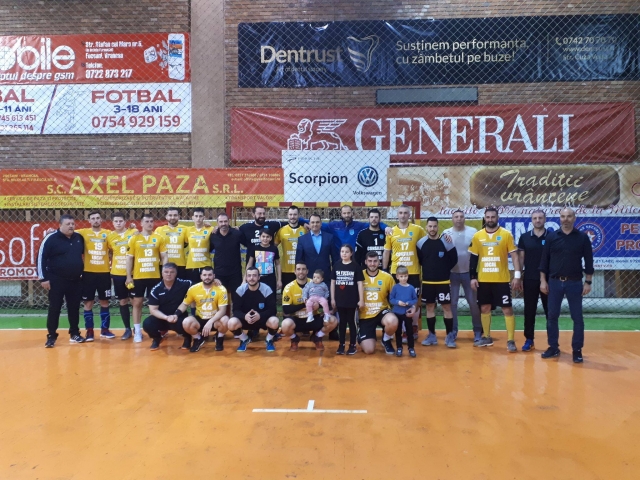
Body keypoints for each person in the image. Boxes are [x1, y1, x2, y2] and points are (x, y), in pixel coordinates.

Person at [539, 207, 594, 363]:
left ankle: (577, 350)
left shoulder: (582, 237)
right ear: (560, 218)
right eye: (563, 216)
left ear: (574, 218)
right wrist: (543, 281)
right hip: (554, 282)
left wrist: (588, 282)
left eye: (569, 216)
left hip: (575, 283)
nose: (566, 219)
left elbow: (589, 261)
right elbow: (544, 261)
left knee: (577, 317)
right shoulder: (551, 237)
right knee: (552, 316)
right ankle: (553, 347)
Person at [469, 207, 522, 351]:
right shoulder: (477, 236)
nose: (490, 219)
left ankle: (510, 340)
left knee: (507, 309)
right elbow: (473, 258)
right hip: (484, 280)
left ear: (497, 218)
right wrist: (472, 277)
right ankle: (486, 337)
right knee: (484, 308)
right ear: (484, 218)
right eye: (488, 217)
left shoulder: (506, 234)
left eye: (493, 217)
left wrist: (517, 276)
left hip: (501, 280)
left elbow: (515, 256)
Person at [38, 214, 86, 347]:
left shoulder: (79, 238)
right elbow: (41, 257)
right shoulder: (50, 238)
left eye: (73, 224)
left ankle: (75, 333)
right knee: (55, 308)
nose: (71, 226)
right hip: (56, 280)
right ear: (60, 225)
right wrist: (43, 278)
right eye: (68, 224)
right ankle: (51, 336)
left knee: (74, 308)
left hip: (75, 280)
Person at [383, 204, 426, 339]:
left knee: (413, 301)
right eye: (400, 213)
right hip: (396, 272)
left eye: (405, 213)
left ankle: (413, 328)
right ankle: (399, 329)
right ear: (397, 215)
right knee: (397, 301)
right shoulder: (391, 232)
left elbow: (428, 242)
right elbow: (387, 252)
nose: (403, 215)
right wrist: (384, 270)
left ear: (409, 215)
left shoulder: (418, 230)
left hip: (413, 271)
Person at [126, 214, 168, 343]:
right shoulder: (134, 238)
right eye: (147, 221)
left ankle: (154, 330)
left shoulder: (159, 238)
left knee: (154, 305)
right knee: (137, 303)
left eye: (151, 221)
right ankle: (137, 331)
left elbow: (164, 257)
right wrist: (129, 276)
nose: (150, 223)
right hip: (139, 276)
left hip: (154, 277)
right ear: (141, 223)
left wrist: (165, 274)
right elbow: (129, 258)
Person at [417, 217, 458, 348]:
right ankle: (431, 335)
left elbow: (454, 259)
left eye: (435, 226)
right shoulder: (421, 243)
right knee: (429, 307)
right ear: (426, 227)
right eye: (430, 226)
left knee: (446, 307)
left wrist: (443, 270)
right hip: (428, 282)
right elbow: (420, 260)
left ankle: (449, 336)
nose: (432, 229)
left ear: (438, 227)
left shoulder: (446, 241)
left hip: (443, 282)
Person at [442, 210, 482, 344]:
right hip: (452, 273)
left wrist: (474, 273)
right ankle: (453, 331)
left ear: (465, 218)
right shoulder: (446, 233)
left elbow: (478, 252)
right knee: (452, 303)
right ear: (452, 219)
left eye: (461, 216)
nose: (459, 219)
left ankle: (478, 331)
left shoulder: (473, 232)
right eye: (456, 217)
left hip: (469, 274)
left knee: (473, 303)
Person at [75, 211, 114, 342]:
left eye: (98, 218)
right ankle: (89, 331)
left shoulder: (108, 233)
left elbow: (119, 242)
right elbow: (67, 232)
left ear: (101, 220)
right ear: (89, 220)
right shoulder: (83, 232)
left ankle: (105, 330)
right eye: (93, 218)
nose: (96, 220)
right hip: (88, 273)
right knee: (88, 302)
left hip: (104, 273)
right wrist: (53, 231)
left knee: (105, 302)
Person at [281, 263, 338, 351]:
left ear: (307, 271)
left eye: (303, 269)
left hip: (313, 318)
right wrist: (305, 304)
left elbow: (326, 300)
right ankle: (294, 339)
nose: (301, 271)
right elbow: (286, 309)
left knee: (333, 320)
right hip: (297, 320)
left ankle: (317, 337)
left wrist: (319, 306)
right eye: (298, 269)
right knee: (285, 325)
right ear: (295, 271)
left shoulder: (316, 282)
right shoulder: (289, 287)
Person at [517, 210, 551, 352]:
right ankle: (529, 339)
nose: (537, 220)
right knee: (529, 310)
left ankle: (552, 342)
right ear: (531, 220)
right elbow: (521, 259)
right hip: (530, 278)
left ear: (545, 219)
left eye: (540, 218)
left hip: (548, 280)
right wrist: (518, 276)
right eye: (535, 218)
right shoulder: (525, 237)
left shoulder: (552, 236)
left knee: (550, 311)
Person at [175, 266, 229, 353]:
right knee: (186, 322)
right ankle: (198, 339)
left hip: (215, 320)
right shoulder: (193, 289)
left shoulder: (221, 289)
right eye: (204, 275)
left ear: (214, 276)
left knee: (225, 320)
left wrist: (210, 321)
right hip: (200, 319)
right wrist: (176, 314)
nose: (207, 277)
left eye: (210, 275)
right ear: (201, 276)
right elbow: (184, 304)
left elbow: (222, 310)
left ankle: (219, 338)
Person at [227, 267, 280, 352]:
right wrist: (244, 316)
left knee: (274, 321)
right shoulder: (240, 290)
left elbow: (273, 310)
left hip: (262, 320)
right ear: (246, 277)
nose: (251, 278)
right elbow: (235, 311)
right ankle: (244, 339)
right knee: (231, 323)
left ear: (259, 277)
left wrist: (260, 316)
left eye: (254, 275)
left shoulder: (266, 289)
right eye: (249, 276)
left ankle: (269, 340)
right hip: (246, 320)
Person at [142, 263, 193, 351]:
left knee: (186, 323)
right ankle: (157, 338)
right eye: (166, 272)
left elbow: (200, 285)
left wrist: (214, 281)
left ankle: (187, 337)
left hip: (178, 317)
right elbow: (153, 310)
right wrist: (166, 317)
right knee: (147, 323)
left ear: (176, 273)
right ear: (162, 273)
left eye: (172, 272)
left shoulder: (185, 284)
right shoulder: (155, 289)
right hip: (162, 318)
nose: (169, 274)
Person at [359, 251, 399, 355]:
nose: (372, 264)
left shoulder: (387, 277)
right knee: (369, 350)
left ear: (379, 262)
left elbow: (396, 296)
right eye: (370, 261)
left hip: (382, 311)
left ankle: (386, 339)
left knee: (393, 321)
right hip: (365, 315)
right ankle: (362, 333)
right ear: (365, 262)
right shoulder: (359, 275)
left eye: (375, 261)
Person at [107, 212, 137, 340]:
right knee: (123, 301)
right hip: (118, 273)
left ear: (125, 221)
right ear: (112, 223)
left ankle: (137, 328)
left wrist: (134, 227)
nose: (118, 223)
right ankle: (127, 329)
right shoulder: (110, 236)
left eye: (120, 221)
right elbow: (109, 252)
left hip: (133, 273)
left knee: (135, 301)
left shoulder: (133, 232)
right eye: (116, 221)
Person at [321, 204, 389, 260]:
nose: (346, 215)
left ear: (352, 213)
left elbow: (374, 223)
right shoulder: (333, 226)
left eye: (348, 213)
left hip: (354, 260)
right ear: (341, 214)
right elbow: (319, 224)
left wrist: (386, 227)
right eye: (344, 213)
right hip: (338, 260)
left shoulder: (358, 225)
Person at [331, 245, 364, 355]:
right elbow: (332, 283)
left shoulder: (356, 266)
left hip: (352, 300)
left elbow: (360, 284)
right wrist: (333, 298)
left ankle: (352, 345)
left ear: (351, 253)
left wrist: (361, 299)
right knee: (342, 323)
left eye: (346, 252)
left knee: (352, 322)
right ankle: (341, 345)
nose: (344, 253)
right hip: (340, 300)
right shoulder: (336, 265)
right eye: (342, 251)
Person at [210, 212, 244, 298]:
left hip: (235, 273)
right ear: (217, 223)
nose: (223, 224)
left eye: (225, 221)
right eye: (221, 222)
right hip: (219, 273)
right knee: (220, 298)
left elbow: (248, 243)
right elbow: (208, 249)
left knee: (237, 298)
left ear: (229, 221)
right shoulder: (213, 235)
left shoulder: (237, 234)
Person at [295, 213, 334, 289]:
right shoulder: (302, 239)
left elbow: (334, 257)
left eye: (317, 222)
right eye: (312, 222)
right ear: (309, 224)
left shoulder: (329, 237)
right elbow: (299, 259)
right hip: (309, 276)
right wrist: (299, 274)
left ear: (321, 223)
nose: (315, 224)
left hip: (325, 275)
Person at [274, 205, 307, 287]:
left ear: (298, 215)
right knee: (287, 292)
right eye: (290, 214)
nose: (292, 217)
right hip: (286, 269)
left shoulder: (304, 230)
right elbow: (273, 247)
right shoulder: (282, 230)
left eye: (295, 214)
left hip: (301, 269)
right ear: (287, 215)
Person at [390, 265, 418, 357]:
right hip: (397, 312)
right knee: (398, 331)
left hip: (407, 313)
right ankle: (399, 347)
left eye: (405, 276)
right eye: (401, 276)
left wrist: (409, 303)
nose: (403, 278)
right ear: (397, 276)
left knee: (409, 331)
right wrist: (398, 302)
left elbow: (415, 299)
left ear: (408, 276)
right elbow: (391, 299)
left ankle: (411, 348)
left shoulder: (411, 288)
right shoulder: (395, 287)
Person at [154, 207, 189, 280]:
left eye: (175, 215)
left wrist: (206, 225)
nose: (172, 217)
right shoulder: (159, 230)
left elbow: (198, 233)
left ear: (179, 216)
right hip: (164, 265)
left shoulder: (186, 229)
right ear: (166, 217)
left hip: (180, 265)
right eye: (170, 215)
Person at [247, 228, 281, 294]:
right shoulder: (255, 248)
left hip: (270, 279)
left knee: (270, 296)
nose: (265, 239)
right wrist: (245, 279)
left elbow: (278, 264)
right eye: (263, 236)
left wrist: (279, 280)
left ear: (271, 238)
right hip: (257, 278)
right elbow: (249, 264)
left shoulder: (274, 249)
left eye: (267, 237)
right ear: (259, 237)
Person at [184, 207, 212, 283]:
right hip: (192, 266)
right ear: (192, 217)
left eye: (200, 216)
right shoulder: (187, 230)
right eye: (196, 216)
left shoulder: (210, 229)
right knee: (192, 288)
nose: (198, 218)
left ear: (204, 217)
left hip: (206, 265)